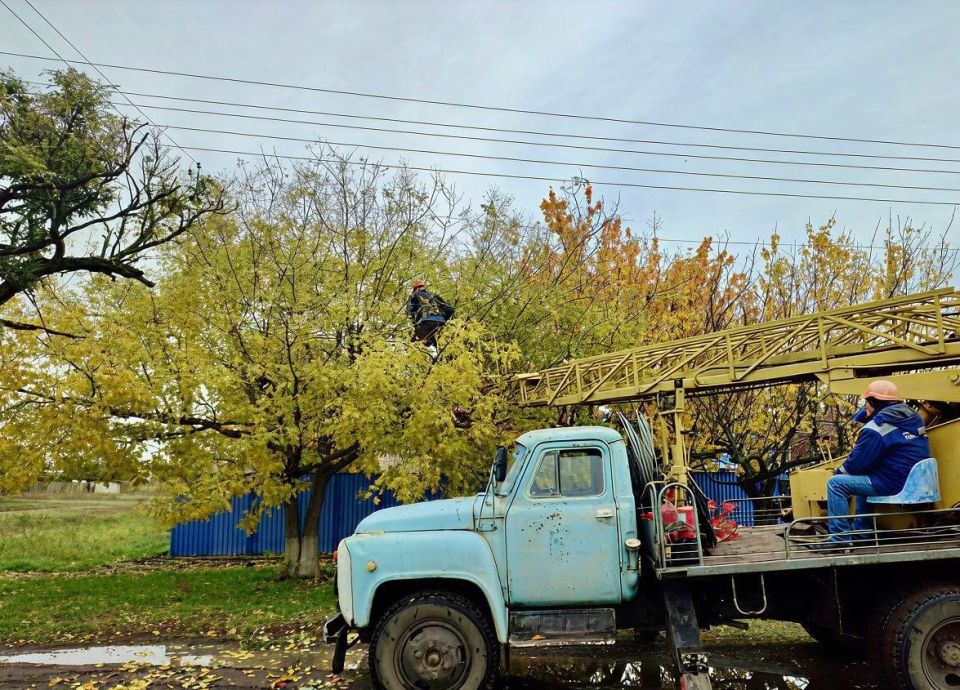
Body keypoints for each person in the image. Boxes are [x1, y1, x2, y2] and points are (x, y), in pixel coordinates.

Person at [825, 380, 932, 545]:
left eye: (866, 402)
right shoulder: (912, 418)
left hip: (894, 482)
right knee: (863, 477)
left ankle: (839, 539)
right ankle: (862, 531)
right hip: (916, 479)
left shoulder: (876, 428)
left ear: (873, 402)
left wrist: (838, 472)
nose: (864, 406)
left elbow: (855, 465)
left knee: (836, 484)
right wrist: (869, 412)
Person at [405, 279, 454, 347]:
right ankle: (432, 341)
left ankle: (428, 340)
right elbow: (450, 310)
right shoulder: (434, 297)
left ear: (417, 288)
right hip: (439, 322)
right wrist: (445, 320)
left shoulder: (414, 295)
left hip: (425, 319)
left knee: (419, 335)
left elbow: (409, 310)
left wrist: (414, 324)